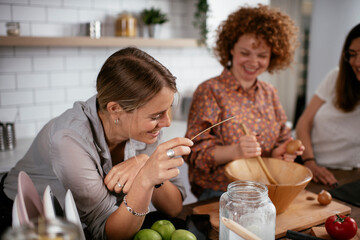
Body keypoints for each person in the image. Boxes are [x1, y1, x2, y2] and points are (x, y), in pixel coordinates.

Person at [0, 47, 193, 239]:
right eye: (156, 115)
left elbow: (174, 209)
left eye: (168, 110)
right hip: (22, 218)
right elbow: (107, 232)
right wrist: (145, 178)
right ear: (115, 109)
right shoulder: (69, 139)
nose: (167, 122)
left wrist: (146, 166)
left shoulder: (145, 128)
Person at [184, 4, 304, 200]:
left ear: (272, 56)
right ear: (231, 49)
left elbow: (281, 139)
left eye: (262, 55)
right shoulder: (210, 90)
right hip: (220, 193)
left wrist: (279, 152)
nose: (253, 61)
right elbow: (193, 152)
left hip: (263, 191)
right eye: (245, 53)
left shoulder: (269, 92)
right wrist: (235, 151)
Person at [295, 23, 360, 187]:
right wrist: (310, 162)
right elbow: (304, 122)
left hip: (348, 175)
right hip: (310, 165)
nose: (357, 62)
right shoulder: (336, 77)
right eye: (352, 54)